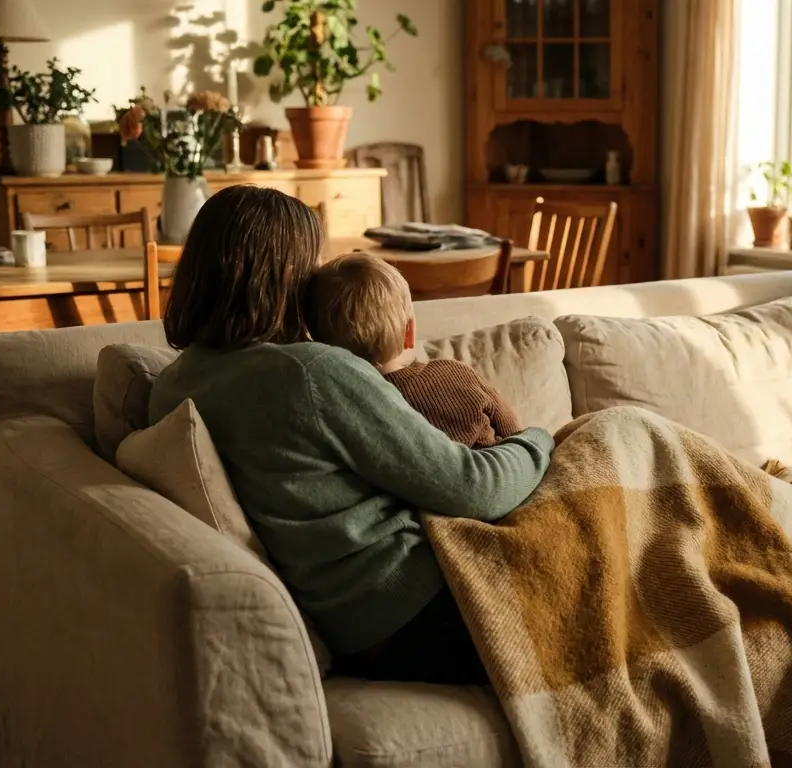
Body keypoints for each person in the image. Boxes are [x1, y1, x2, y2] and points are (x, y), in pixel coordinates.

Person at [148, 186, 554, 685]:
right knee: (619, 438)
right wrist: (541, 439)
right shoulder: (310, 374)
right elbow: (474, 487)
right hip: (423, 610)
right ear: (286, 278)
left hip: (362, 628)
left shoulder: (171, 385)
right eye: (311, 267)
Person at [304, 254, 523, 448]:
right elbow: (516, 431)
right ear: (409, 332)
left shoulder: (341, 408)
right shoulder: (454, 373)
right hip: (504, 474)